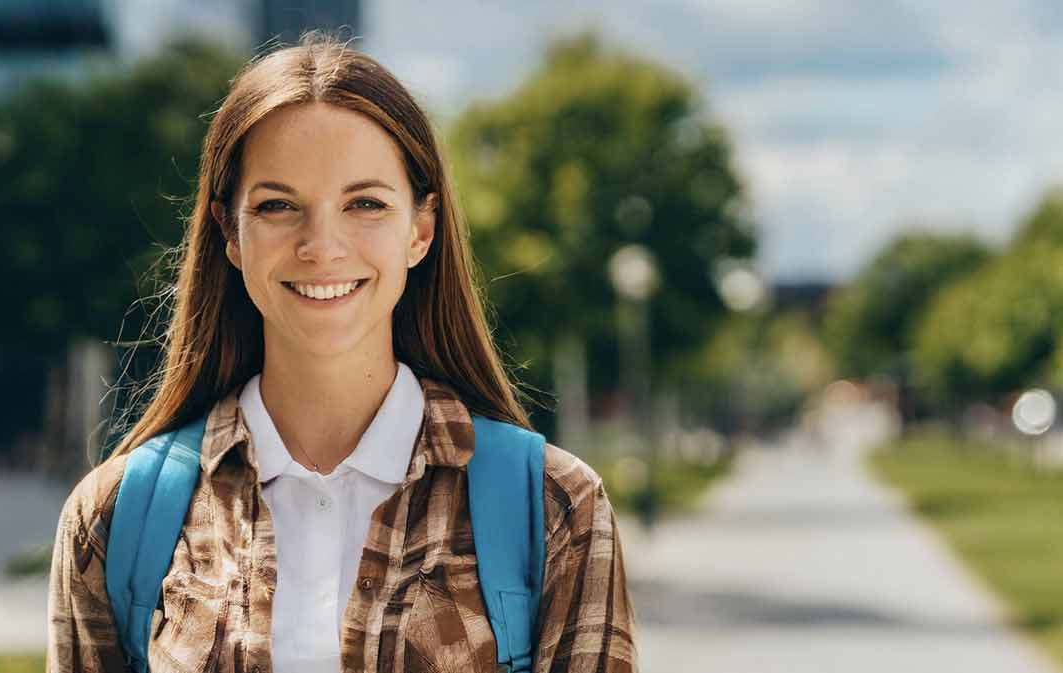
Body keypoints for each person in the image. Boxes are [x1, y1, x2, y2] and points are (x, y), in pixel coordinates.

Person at [47, 34, 637, 673]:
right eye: (277, 206)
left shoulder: (557, 509)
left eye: (365, 204)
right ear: (229, 233)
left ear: (420, 230)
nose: (321, 245)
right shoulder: (112, 517)